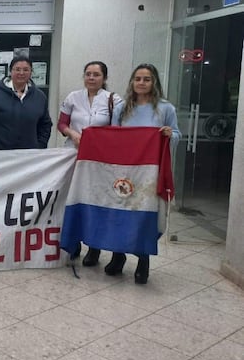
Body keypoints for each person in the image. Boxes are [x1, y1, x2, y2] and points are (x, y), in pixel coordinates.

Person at [105, 63, 181, 284]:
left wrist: (169, 134)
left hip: (149, 172)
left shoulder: (166, 109)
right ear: (132, 82)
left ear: (154, 82)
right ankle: (118, 256)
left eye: (146, 79)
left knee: (145, 214)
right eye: (137, 78)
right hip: (124, 169)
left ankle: (143, 259)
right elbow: (113, 137)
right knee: (120, 210)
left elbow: (176, 134)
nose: (141, 83)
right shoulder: (122, 108)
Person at [57, 61, 122, 265]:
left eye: (96, 74)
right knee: (74, 198)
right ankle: (73, 243)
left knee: (95, 200)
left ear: (104, 78)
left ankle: (94, 247)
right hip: (74, 154)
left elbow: (119, 131)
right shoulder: (73, 97)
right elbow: (62, 123)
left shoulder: (114, 100)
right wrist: (72, 133)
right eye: (88, 74)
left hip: (99, 160)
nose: (91, 78)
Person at [0, 55, 52, 149]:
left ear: (31, 72)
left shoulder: (39, 97)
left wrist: (40, 146)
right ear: (10, 71)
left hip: (28, 156)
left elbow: (45, 124)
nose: (21, 73)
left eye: (26, 70)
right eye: (17, 69)